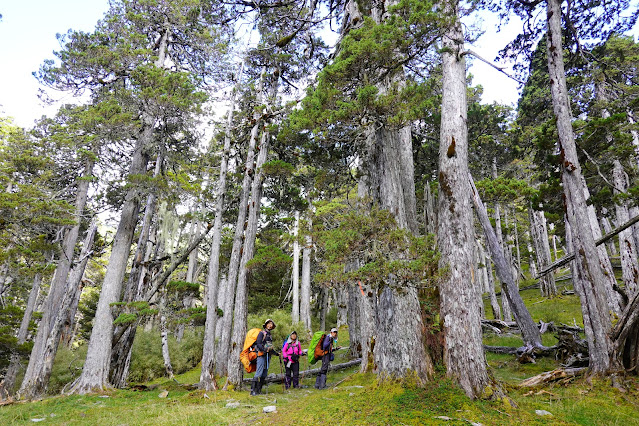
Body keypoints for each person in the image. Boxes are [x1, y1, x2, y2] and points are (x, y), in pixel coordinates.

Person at [251, 318, 279, 396]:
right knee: (259, 372)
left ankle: (259, 390)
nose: (270, 325)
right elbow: (259, 343)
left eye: (271, 324)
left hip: (268, 355)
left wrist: (276, 354)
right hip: (261, 355)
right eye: (269, 324)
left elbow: (270, 347)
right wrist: (264, 349)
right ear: (266, 325)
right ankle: (253, 391)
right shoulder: (261, 333)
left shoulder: (270, 335)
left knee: (264, 373)